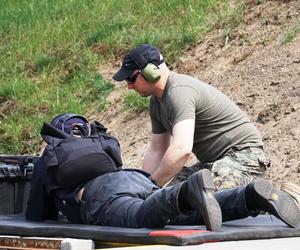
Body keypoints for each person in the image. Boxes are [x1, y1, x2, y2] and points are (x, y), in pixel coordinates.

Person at [26, 114, 300, 231]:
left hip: (100, 195)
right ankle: (248, 197)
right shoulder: (98, 140)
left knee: (140, 216)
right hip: (134, 178)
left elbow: (37, 214)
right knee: (191, 216)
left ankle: (184, 193)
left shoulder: (51, 154)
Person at [112, 44, 270, 189]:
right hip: (213, 163)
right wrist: (143, 187)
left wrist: (152, 185)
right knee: (166, 203)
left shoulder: (178, 92)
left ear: (150, 72)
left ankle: (282, 201)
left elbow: (182, 149)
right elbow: (157, 150)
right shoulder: (156, 102)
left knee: (200, 198)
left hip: (244, 156)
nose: (129, 86)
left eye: (131, 78)